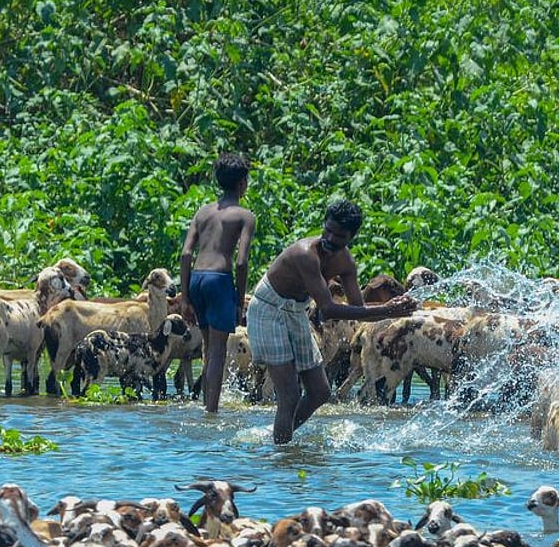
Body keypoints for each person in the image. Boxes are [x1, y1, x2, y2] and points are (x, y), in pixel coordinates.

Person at [247, 199, 418, 443]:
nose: (329, 238)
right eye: (327, 230)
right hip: (268, 309)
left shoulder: (346, 263)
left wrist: (395, 310)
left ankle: (280, 437)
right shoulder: (306, 254)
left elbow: (358, 309)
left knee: (319, 392)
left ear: (350, 237)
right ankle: (281, 455)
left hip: (295, 310)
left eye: (337, 236)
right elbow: (328, 309)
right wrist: (387, 310)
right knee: (290, 396)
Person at [179, 153, 257, 413]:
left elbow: (186, 254)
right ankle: (211, 411)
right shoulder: (245, 216)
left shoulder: (203, 213)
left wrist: (186, 296)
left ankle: (205, 402)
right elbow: (241, 262)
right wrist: (238, 300)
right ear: (242, 183)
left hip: (197, 279)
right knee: (219, 351)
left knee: (208, 348)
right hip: (219, 280)